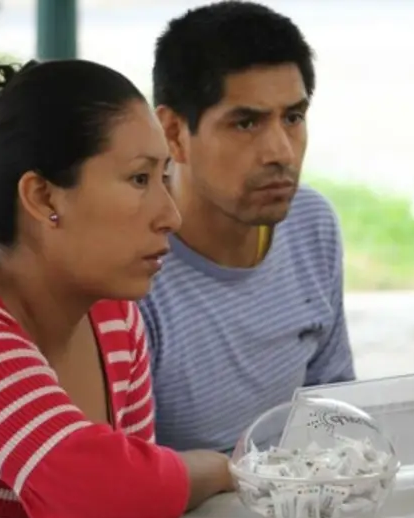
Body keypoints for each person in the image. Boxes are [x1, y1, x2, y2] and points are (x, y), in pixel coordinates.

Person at [0, 60, 234, 518]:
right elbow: (99, 494)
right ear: (42, 197)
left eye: (163, 177)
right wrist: (218, 469)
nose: (170, 214)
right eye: (138, 179)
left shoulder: (113, 317)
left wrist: (151, 486)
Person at [141, 0, 355, 453]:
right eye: (246, 123)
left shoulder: (310, 223)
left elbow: (336, 410)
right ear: (174, 132)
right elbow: (123, 477)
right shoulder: (133, 262)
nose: (281, 151)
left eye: (293, 117)